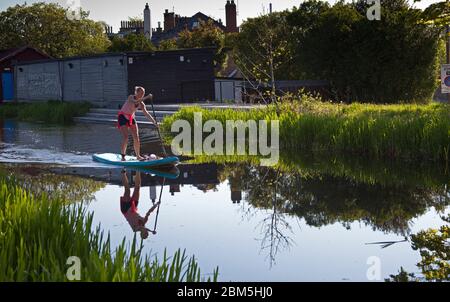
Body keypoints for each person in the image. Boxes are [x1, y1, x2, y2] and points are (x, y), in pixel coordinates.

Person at [118, 86, 158, 161]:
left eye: (143, 94)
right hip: (123, 116)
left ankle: (138, 156)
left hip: (131, 118)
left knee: (136, 137)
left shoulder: (142, 104)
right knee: (126, 137)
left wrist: (154, 122)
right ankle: (123, 156)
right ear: (136, 92)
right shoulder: (131, 97)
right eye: (141, 93)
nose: (142, 95)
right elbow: (135, 102)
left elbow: (146, 114)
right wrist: (147, 97)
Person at [120, 170, 160, 239]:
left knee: (127, 190)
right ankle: (138, 169)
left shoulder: (135, 229)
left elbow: (140, 227)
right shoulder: (144, 221)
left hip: (126, 210)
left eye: (145, 233)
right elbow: (149, 212)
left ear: (141, 233)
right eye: (146, 233)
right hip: (133, 207)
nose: (145, 231)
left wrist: (150, 230)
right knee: (138, 187)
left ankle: (123, 173)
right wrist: (156, 205)